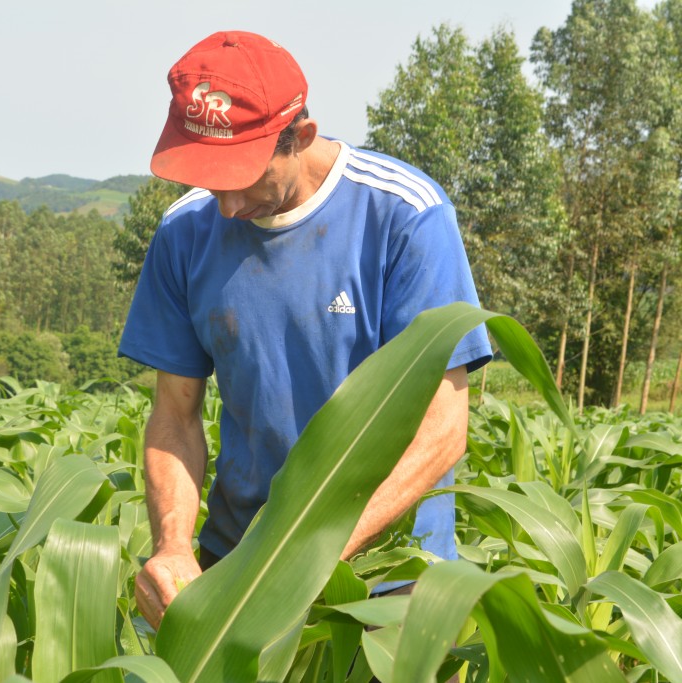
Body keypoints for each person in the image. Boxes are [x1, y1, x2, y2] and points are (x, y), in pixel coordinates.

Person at [118, 30, 492, 631]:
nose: (227, 207)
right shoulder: (184, 232)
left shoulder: (403, 216)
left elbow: (442, 431)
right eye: (211, 178)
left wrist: (310, 554)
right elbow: (175, 415)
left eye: (242, 177)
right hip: (239, 564)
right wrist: (173, 546)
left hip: (389, 576)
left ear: (302, 139)